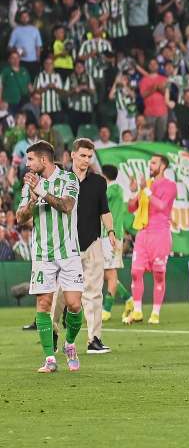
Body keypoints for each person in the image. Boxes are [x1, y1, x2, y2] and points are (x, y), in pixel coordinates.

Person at [19, 141, 84, 373]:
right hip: (42, 253)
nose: (27, 164)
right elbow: (20, 217)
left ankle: (69, 344)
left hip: (68, 252)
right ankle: (49, 358)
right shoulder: (29, 184)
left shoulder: (69, 179)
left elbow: (67, 206)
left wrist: (42, 192)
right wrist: (32, 201)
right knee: (44, 304)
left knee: (74, 305)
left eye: (30, 160)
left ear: (43, 160)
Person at [49, 138, 115, 355]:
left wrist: (111, 232)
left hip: (93, 242)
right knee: (60, 292)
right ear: (73, 155)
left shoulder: (98, 182)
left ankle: (94, 339)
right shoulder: (61, 179)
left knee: (94, 293)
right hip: (67, 244)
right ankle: (52, 330)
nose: (86, 160)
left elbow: (104, 210)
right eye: (83, 155)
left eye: (89, 156)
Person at [126, 152, 177, 326]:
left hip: (160, 234)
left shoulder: (170, 186)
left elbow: (162, 206)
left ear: (163, 166)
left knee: (159, 275)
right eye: (150, 163)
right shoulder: (145, 185)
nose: (150, 166)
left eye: (154, 163)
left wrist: (145, 190)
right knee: (135, 272)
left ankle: (155, 312)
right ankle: (138, 310)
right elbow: (131, 208)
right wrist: (134, 191)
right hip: (143, 233)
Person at [100, 164, 133, 324]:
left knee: (110, 274)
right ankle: (128, 298)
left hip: (111, 236)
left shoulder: (113, 190)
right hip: (105, 235)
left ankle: (106, 310)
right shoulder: (115, 190)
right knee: (105, 273)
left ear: (104, 175)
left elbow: (98, 199)